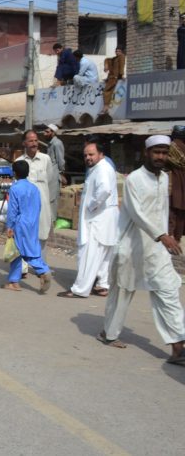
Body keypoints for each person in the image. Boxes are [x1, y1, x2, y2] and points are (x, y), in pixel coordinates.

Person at [99, 135, 185, 366]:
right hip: (131, 246)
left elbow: (162, 211)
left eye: (164, 153)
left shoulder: (164, 177)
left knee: (168, 291)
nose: (160, 157)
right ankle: (110, 333)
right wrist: (162, 235)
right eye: (156, 152)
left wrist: (168, 235)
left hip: (157, 249)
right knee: (122, 293)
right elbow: (138, 213)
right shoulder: (134, 180)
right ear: (146, 153)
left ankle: (178, 346)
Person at [59, 141, 119, 298]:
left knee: (89, 255)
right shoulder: (99, 167)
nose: (88, 158)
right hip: (104, 218)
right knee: (104, 255)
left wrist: (91, 206)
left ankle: (80, 289)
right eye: (85, 155)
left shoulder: (102, 169)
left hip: (98, 219)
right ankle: (102, 285)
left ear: (101, 154)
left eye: (91, 154)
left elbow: (104, 190)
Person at [2, 160, 52, 293]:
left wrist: (10, 227)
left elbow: (12, 210)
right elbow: (39, 206)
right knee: (20, 251)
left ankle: (43, 271)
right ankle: (13, 281)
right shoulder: (34, 188)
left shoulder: (15, 188)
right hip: (32, 223)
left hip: (20, 223)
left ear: (14, 173)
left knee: (23, 252)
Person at [16, 130, 54, 256]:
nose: (34, 143)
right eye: (31, 141)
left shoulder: (45, 159)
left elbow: (49, 179)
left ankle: (40, 266)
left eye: (36, 140)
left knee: (42, 235)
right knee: (24, 235)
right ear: (24, 143)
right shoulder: (19, 162)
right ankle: (24, 266)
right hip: (25, 207)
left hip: (42, 204)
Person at [43, 124, 66, 221]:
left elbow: (60, 160)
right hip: (50, 172)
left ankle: (52, 220)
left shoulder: (57, 143)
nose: (45, 133)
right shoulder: (51, 143)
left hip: (55, 172)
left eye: (47, 132)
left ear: (53, 133)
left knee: (53, 198)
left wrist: (62, 173)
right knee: (48, 197)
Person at [168, 125, 185, 242]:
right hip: (182, 186)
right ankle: (177, 238)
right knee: (180, 214)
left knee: (172, 213)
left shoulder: (171, 148)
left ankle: (171, 236)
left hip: (173, 184)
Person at [101, 47, 125, 115]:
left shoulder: (121, 57)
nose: (117, 52)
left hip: (115, 77)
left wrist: (122, 75)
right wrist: (106, 66)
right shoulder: (115, 58)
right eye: (116, 51)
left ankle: (105, 107)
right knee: (109, 91)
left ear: (122, 52)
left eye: (119, 51)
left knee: (106, 91)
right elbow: (107, 60)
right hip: (111, 77)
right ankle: (106, 108)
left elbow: (122, 66)